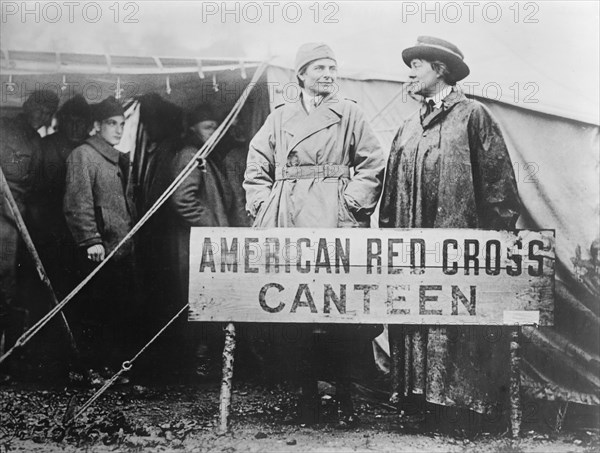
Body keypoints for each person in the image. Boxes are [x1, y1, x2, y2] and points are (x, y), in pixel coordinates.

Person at [379, 36, 521, 431]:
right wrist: (389, 233)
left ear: (440, 70)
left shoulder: (473, 115)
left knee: (456, 320)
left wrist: (494, 242)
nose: (410, 72)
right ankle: (419, 402)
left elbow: (498, 184)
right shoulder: (408, 125)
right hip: (411, 248)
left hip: (460, 249)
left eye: (418, 64)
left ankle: (461, 410)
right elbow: (391, 191)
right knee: (414, 310)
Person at [243, 43, 385, 426]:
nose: (327, 74)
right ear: (300, 75)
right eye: (319, 67)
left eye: (332, 67)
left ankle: (346, 398)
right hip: (289, 220)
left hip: (335, 221)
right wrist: (263, 204)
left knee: (341, 307)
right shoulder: (279, 117)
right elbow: (256, 166)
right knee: (295, 307)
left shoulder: (349, 113)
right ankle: (305, 395)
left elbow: (373, 162)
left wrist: (352, 203)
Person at [63, 96, 137, 383]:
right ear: (96, 125)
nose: (118, 130)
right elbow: (76, 202)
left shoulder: (116, 158)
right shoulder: (84, 155)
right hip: (97, 250)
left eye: (121, 124)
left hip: (118, 249)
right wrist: (90, 239)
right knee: (92, 311)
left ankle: (110, 367)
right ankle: (88, 368)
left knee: (115, 311)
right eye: (111, 124)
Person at [167, 103, 239, 380]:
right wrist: (213, 228)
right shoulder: (190, 155)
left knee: (205, 301)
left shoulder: (206, 156)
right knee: (196, 302)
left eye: (215, 128)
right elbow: (182, 200)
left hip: (205, 244)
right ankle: (197, 363)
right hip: (195, 244)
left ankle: (203, 360)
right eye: (208, 128)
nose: (214, 133)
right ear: (192, 130)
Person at [0, 89, 59, 381]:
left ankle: (8, 358)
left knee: (13, 290)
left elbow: (34, 188)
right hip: (2, 219)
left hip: (19, 223)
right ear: (26, 105)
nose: (43, 116)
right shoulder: (3, 129)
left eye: (49, 112)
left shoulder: (37, 143)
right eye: (40, 109)